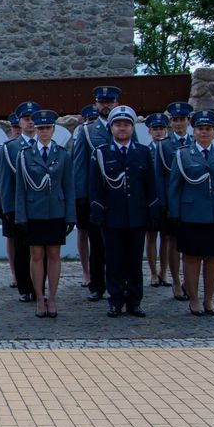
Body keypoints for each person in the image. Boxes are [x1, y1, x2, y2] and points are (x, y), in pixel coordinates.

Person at [167, 110, 214, 316]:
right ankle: (194, 299)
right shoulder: (183, 155)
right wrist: (174, 214)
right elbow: (175, 187)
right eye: (200, 129)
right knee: (191, 258)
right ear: (194, 131)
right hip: (191, 215)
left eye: (208, 129)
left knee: (213, 258)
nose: (204, 132)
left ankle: (209, 299)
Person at [88, 105, 159, 317]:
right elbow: (95, 186)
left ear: (132, 128)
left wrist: (152, 211)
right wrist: (97, 212)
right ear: (110, 128)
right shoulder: (100, 154)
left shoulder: (143, 152)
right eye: (118, 125)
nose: (122, 128)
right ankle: (115, 300)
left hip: (137, 216)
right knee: (114, 261)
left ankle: (135, 301)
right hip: (112, 216)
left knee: (135, 261)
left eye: (126, 125)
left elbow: (150, 185)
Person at [14, 110, 76, 319]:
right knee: (37, 256)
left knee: (54, 255)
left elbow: (69, 187)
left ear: (53, 130)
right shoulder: (25, 154)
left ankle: (52, 297)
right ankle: (39, 298)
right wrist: (20, 216)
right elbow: (20, 188)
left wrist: (70, 216)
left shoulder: (62, 154)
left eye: (48, 128)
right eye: (40, 128)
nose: (44, 132)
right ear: (36, 130)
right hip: (34, 212)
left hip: (56, 211)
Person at [74, 85, 120, 302]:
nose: (106, 105)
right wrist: (81, 196)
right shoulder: (86, 131)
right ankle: (97, 285)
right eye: (102, 102)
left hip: (120, 196)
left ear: (116, 104)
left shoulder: (123, 126)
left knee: (120, 244)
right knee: (98, 244)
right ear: (96, 105)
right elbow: (79, 165)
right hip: (96, 196)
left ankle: (119, 283)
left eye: (110, 102)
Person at [0, 102, 41, 303]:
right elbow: (4, 180)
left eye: (33, 118)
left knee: (41, 249)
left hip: (41, 207)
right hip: (18, 207)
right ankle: (25, 287)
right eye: (26, 119)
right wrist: (7, 208)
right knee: (22, 250)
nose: (30, 122)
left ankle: (40, 286)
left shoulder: (46, 146)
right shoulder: (9, 148)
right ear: (19, 122)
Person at [158, 101, 194, 301]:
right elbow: (159, 176)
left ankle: (190, 281)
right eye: (175, 120)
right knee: (171, 241)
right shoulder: (164, 146)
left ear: (189, 121)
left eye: (182, 120)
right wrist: (163, 203)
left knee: (189, 244)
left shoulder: (195, 143)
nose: (179, 124)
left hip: (191, 201)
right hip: (171, 202)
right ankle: (175, 281)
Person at [0, 112, 21, 289]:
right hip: (10, 200)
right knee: (11, 236)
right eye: (15, 127)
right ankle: (14, 271)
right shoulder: (5, 148)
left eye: (20, 127)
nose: (18, 131)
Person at [73, 105, 99, 287]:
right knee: (83, 232)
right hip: (86, 192)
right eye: (89, 119)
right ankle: (85, 270)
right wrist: (80, 193)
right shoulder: (83, 134)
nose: (92, 123)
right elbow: (78, 165)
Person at [144, 112, 170, 287]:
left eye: (161, 129)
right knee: (151, 236)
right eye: (155, 129)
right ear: (149, 132)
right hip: (151, 200)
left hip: (166, 200)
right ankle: (153, 272)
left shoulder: (170, 150)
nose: (158, 132)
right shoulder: (146, 151)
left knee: (167, 238)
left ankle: (164, 272)